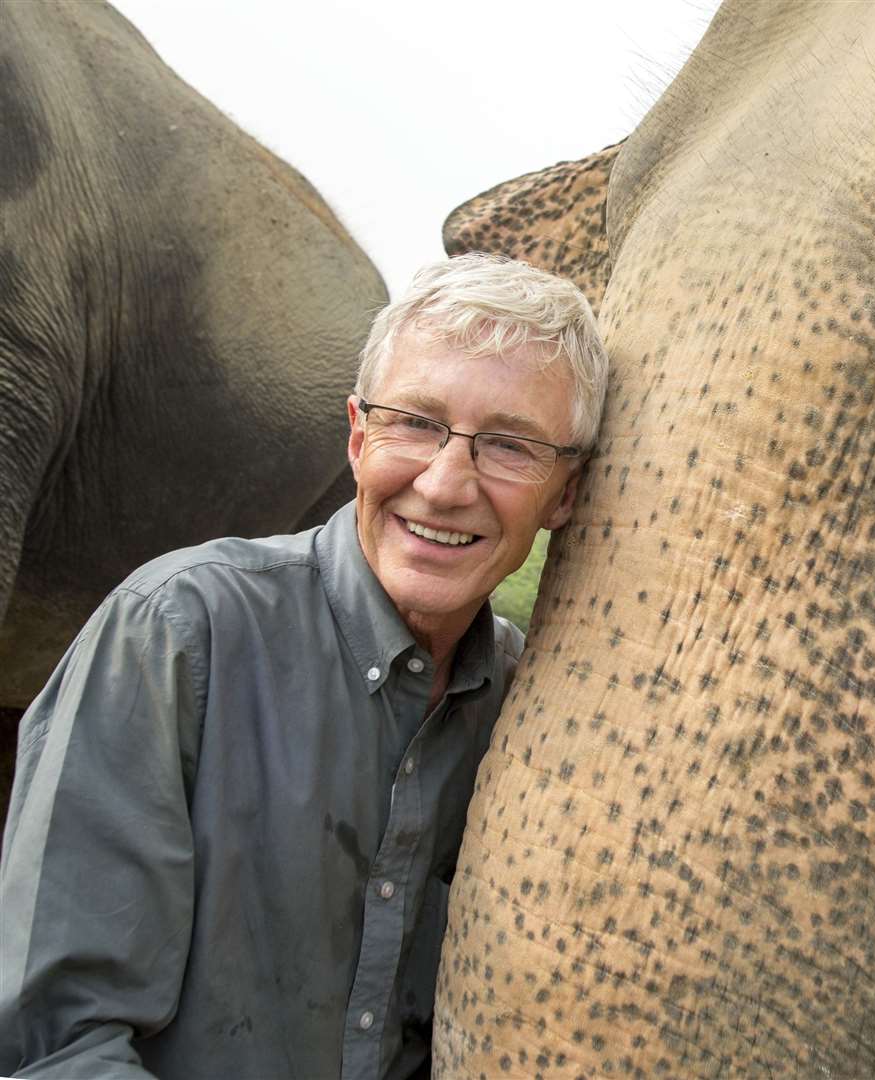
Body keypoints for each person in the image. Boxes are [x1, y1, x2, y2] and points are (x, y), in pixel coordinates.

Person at [0, 253, 608, 1079]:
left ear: (566, 497)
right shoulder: (179, 632)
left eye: (509, 446)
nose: (443, 484)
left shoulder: (527, 704)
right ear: (359, 438)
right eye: (416, 424)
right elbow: (54, 1042)